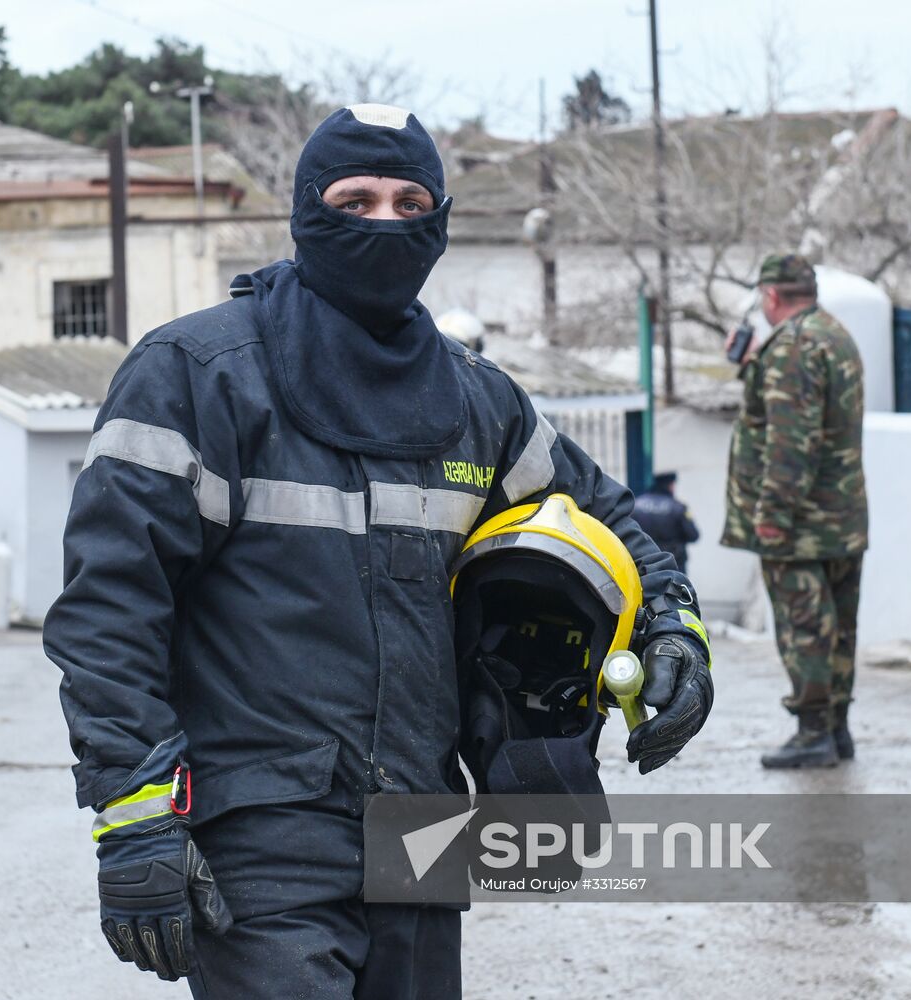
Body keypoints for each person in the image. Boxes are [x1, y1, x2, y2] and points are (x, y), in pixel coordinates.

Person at [44, 104, 714, 999]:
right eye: (354, 199)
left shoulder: (479, 402)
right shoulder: (194, 377)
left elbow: (615, 533)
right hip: (259, 831)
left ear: (438, 220)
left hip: (419, 831)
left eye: (410, 201)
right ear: (304, 214)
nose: (384, 222)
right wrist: (133, 816)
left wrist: (672, 630)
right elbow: (108, 610)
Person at [721, 253, 868, 769]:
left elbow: (790, 441)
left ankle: (813, 734)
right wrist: (755, 369)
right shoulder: (833, 334)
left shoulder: (793, 347)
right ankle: (837, 729)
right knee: (839, 628)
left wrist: (772, 516)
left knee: (805, 630)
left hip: (799, 525)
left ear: (771, 296)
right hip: (841, 517)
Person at [632, 471, 700, 574]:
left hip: (644, 564)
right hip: (673, 564)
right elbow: (693, 535)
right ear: (670, 485)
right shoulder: (678, 507)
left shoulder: (636, 505)